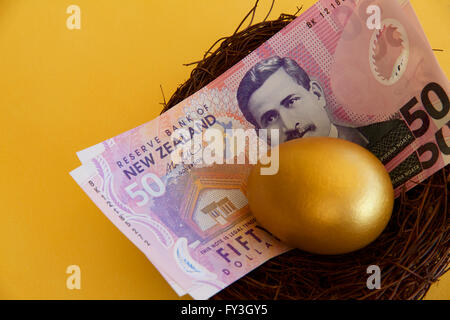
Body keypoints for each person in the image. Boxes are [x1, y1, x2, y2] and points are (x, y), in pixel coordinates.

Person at [237, 55, 400, 147]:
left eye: (291, 102)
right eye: (270, 118)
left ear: (316, 94)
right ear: (263, 136)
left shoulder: (392, 133)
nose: (288, 125)